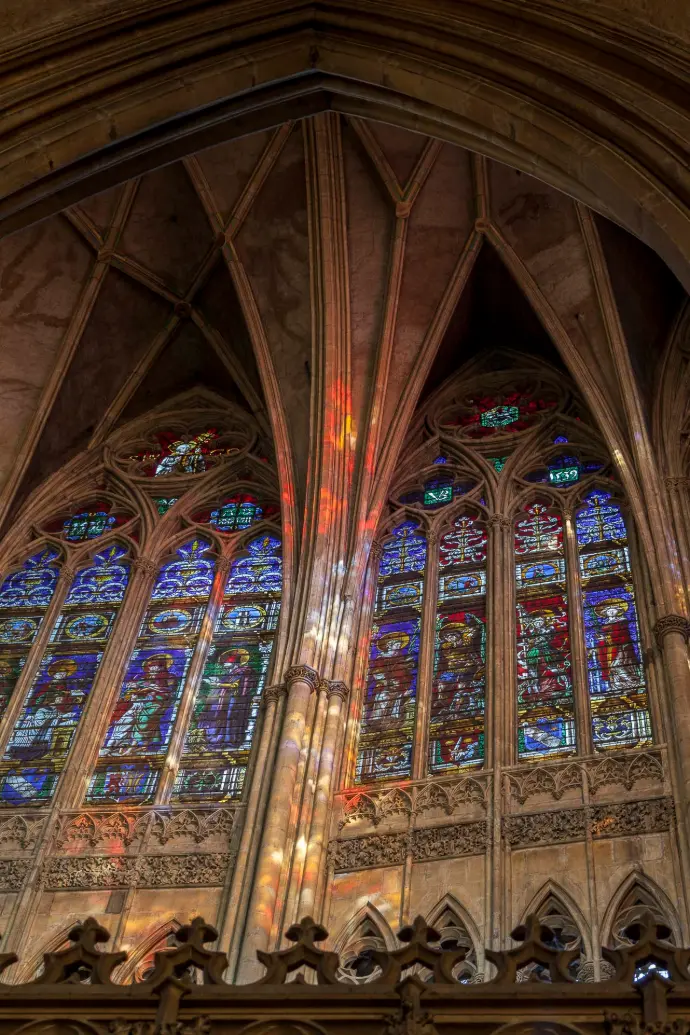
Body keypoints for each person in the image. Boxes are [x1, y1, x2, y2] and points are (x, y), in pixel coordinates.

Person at [8, 657, 84, 761]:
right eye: (60, 673)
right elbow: (38, 699)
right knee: (37, 723)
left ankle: (43, 749)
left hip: (54, 712)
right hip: (43, 710)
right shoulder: (47, 686)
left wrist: (68, 699)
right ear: (55, 674)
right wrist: (49, 703)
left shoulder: (65, 687)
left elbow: (66, 702)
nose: (62, 675)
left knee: (56, 724)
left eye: (64, 674)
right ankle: (22, 749)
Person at [104, 652, 176, 755]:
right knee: (123, 723)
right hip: (139, 703)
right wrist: (134, 690)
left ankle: (134, 747)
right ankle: (111, 746)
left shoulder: (170, 678)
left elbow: (169, 692)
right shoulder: (143, 678)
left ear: (162, 667)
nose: (153, 668)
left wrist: (147, 687)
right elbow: (135, 690)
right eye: (151, 666)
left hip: (156, 704)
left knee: (144, 720)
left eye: (156, 666)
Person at [193, 647, 258, 749]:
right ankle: (217, 740)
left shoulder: (244, 671)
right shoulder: (231, 673)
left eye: (227, 663)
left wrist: (218, 684)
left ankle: (230, 741)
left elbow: (237, 686)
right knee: (220, 716)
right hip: (224, 700)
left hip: (235, 700)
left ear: (234, 662)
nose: (225, 665)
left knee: (230, 717)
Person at [592, 597, 642, 694]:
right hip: (609, 649)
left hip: (621, 648)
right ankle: (616, 686)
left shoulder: (622, 621)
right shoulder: (605, 624)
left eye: (613, 610)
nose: (611, 612)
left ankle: (632, 682)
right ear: (605, 613)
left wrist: (607, 637)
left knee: (617, 666)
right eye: (608, 610)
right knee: (611, 668)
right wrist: (602, 640)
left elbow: (622, 635)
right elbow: (607, 637)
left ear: (618, 611)